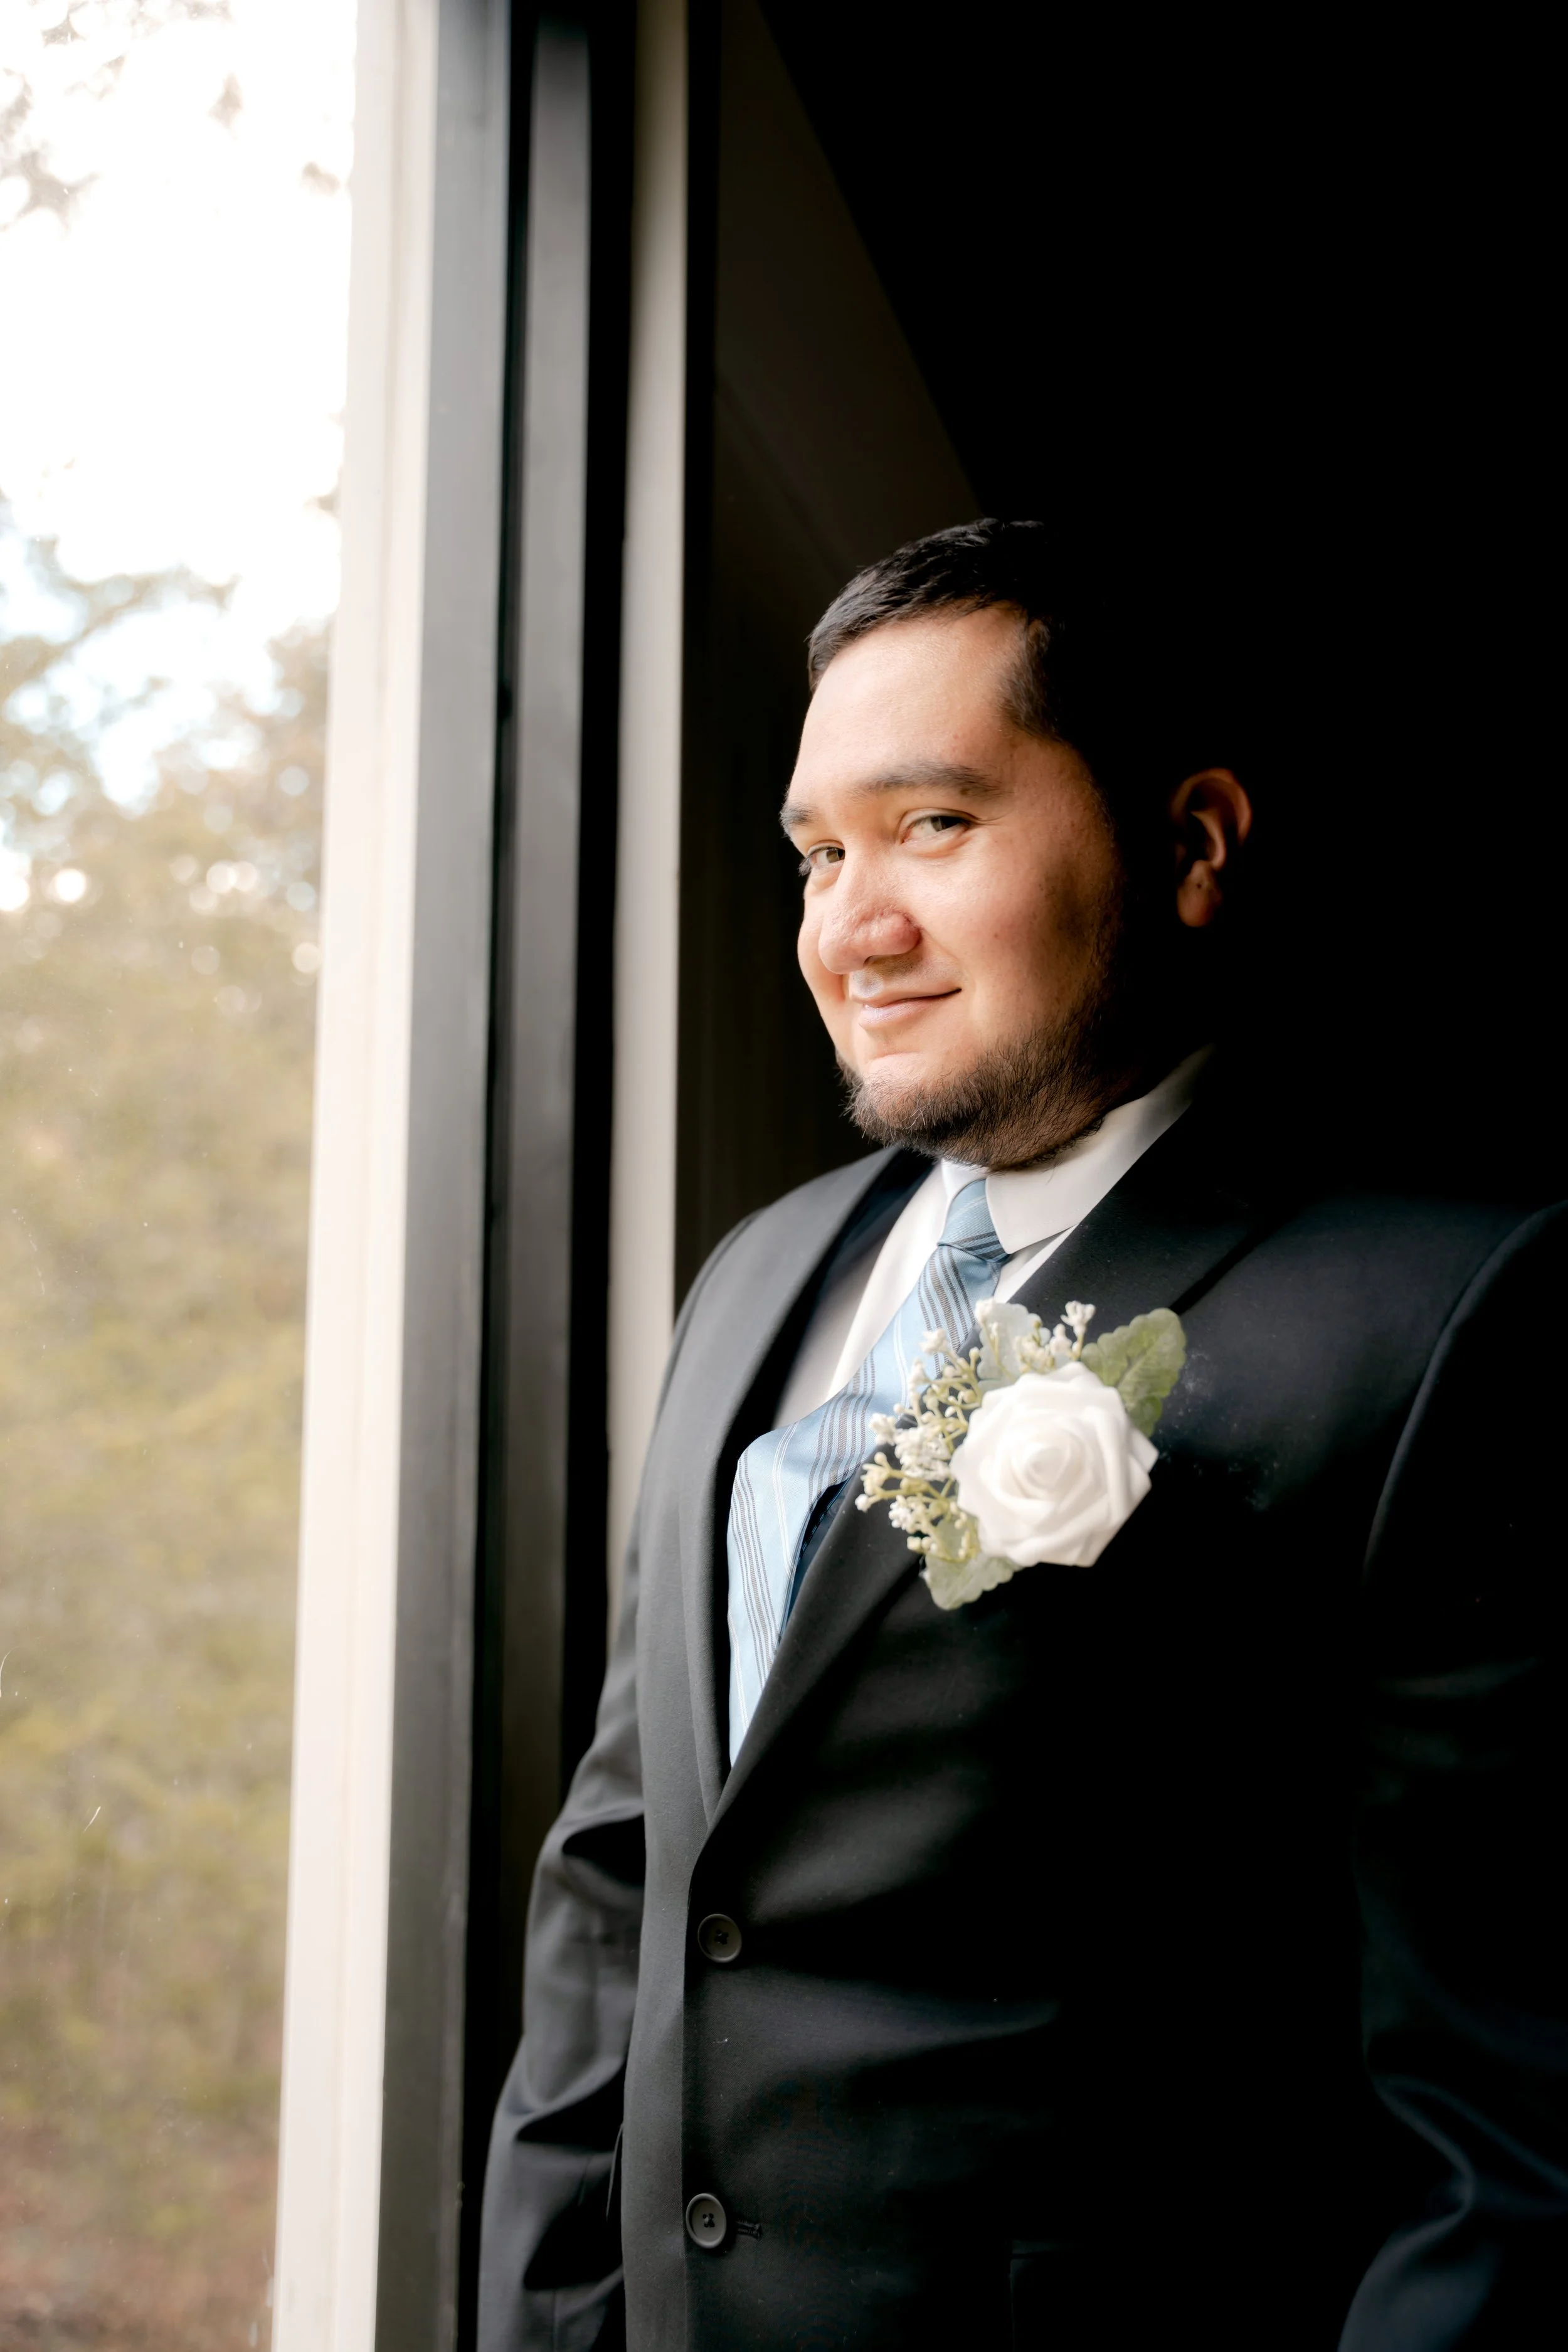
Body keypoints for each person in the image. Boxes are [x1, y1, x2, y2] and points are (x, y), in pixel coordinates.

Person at [477, 520, 1568, 2349]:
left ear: (1192, 842)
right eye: (817, 855)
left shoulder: (1452, 1320)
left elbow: (1499, 2139)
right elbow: (628, 1891)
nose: (853, 926)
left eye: (932, 827)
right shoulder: (751, 1276)